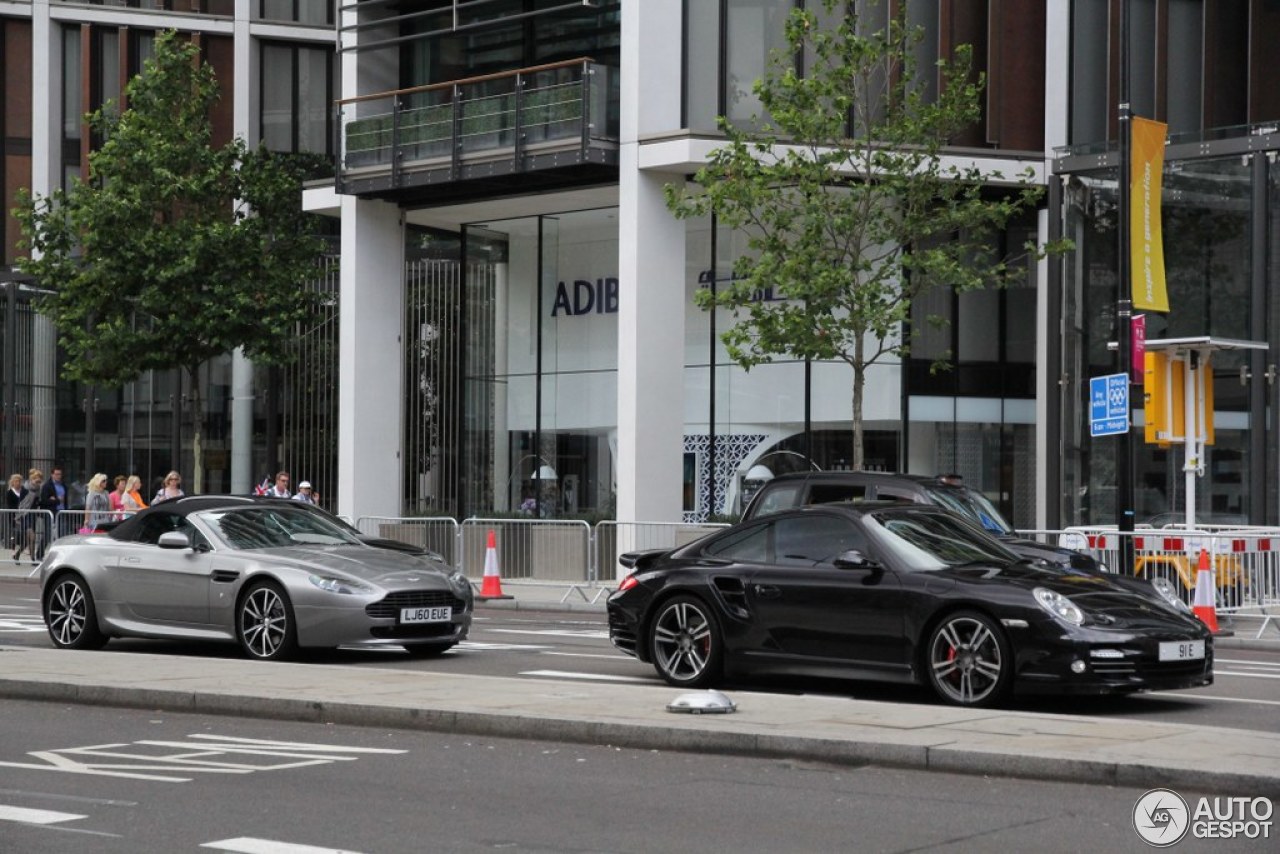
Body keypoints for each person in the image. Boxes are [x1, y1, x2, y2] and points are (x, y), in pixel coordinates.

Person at [15, 469, 44, 563]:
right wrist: (18, 516)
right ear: (32, 479)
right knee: (32, 536)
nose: (38, 482)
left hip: (33, 515)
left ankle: (17, 555)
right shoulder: (25, 488)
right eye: (37, 479)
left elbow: (37, 503)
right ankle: (33, 559)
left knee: (28, 540)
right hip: (25, 515)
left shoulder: (38, 489)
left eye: (40, 480)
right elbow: (21, 503)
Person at [4, 473, 26, 559]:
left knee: (23, 532)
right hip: (13, 515)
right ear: (13, 482)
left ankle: (21, 548)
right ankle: (13, 550)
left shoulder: (23, 491)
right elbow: (10, 505)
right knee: (14, 533)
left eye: (19, 481)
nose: (18, 483)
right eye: (16, 481)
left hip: (23, 515)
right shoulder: (10, 492)